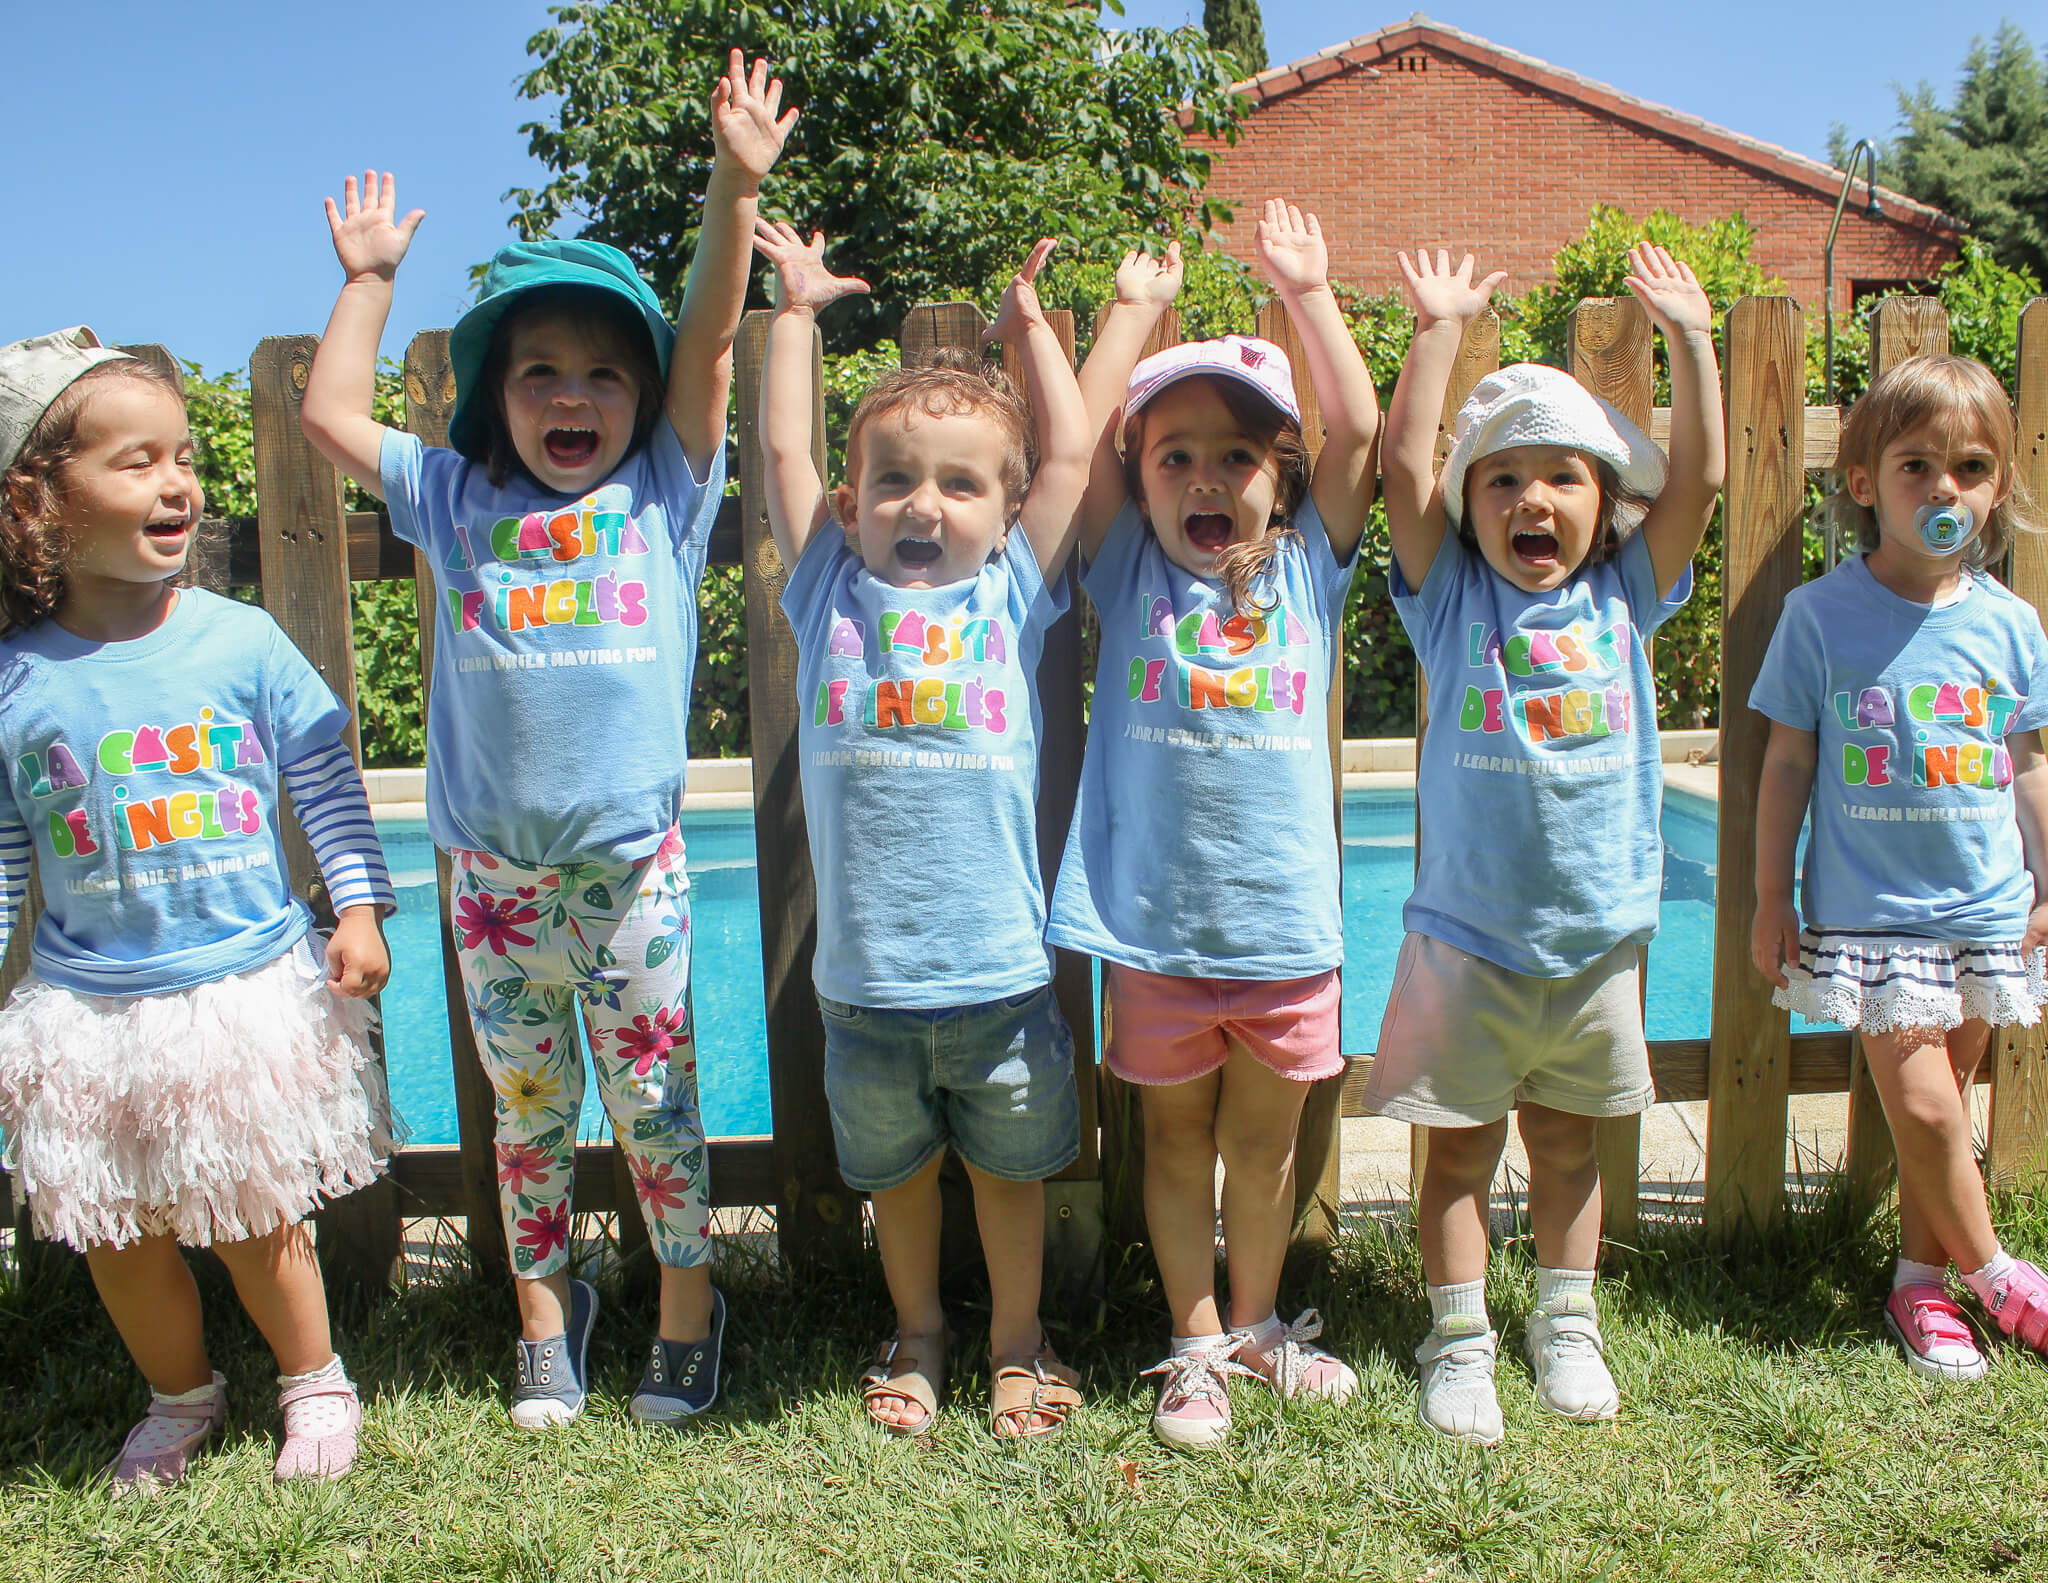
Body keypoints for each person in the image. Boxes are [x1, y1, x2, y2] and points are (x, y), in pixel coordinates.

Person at [298, 50, 794, 1430]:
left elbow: (704, 336)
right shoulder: (454, 499)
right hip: (495, 886)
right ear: (493, 394)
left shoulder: (666, 497)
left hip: (630, 873)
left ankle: (692, 1303)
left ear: (636, 400)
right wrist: (370, 279)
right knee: (527, 1117)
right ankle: (543, 1306)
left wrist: (732, 187)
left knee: (658, 1102)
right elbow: (330, 414)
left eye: (597, 374)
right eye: (537, 373)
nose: (569, 395)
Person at [0, 329, 399, 1487]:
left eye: (184, 459)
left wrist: (360, 908)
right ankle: (180, 1394)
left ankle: (313, 1376)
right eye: (137, 462)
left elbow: (323, 774)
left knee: (251, 1214)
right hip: (87, 1006)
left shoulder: (239, 641)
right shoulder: (17, 678)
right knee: (119, 1232)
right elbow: (8, 843)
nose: (177, 483)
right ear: (39, 499)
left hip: (236, 988)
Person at [1364, 245, 1724, 1446]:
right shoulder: (1449, 599)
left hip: (1592, 941)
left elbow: (1701, 483)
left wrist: (1688, 338)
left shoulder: (1628, 595)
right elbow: (1400, 469)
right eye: (1502, 479)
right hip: (1466, 942)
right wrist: (1436, 329)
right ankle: (1455, 1339)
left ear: (1602, 502)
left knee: (1568, 1146)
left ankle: (1564, 1322)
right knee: (1457, 1153)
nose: (1531, 501)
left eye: (1561, 477)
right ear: (1470, 509)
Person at [1045, 201, 1380, 1451]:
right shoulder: (1124, 566)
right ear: (1140, 477)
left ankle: (1257, 1321)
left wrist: (1308, 290)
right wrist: (1128, 314)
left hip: (1284, 926)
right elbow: (1067, 454)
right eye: (1173, 453)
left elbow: (1360, 431)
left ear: (1278, 479)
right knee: (1177, 1143)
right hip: (1155, 927)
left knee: (1265, 1143)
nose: (1204, 477)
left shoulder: (1307, 568)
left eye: (1234, 456)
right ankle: (1192, 1342)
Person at [751, 220, 1091, 1438]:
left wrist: (1032, 336)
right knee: (894, 1178)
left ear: (1002, 512)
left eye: (958, 483)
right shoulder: (827, 589)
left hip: (999, 973)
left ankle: (1016, 1338)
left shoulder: (1011, 596)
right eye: (894, 478)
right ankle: (920, 1333)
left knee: (1007, 1174)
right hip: (863, 987)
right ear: (851, 507)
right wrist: (794, 311)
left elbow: (1071, 460)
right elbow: (782, 445)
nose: (921, 503)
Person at [1751, 352, 2048, 1382]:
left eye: (1968, 467)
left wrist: (2046, 877)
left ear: (1996, 487)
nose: (1943, 490)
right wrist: (1767, 893)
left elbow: (2023, 762)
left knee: (1944, 1110)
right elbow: (1784, 760)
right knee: (1923, 1108)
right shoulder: (1819, 616)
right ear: (1862, 481)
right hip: (1871, 914)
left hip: (1985, 906)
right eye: (1915, 465)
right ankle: (2003, 1276)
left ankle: (1919, 1283)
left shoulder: (2009, 626)